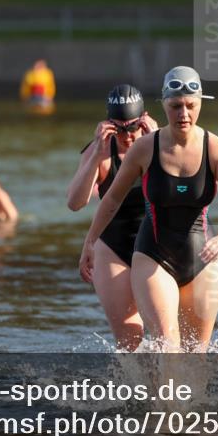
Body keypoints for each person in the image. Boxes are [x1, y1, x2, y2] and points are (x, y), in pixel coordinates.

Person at [79, 67, 218, 352]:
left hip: (202, 256)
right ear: (164, 104)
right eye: (175, 106)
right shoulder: (145, 148)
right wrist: (90, 242)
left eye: (190, 106)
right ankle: (154, 396)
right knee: (168, 347)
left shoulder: (216, 148)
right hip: (153, 256)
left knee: (197, 354)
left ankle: (182, 397)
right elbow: (111, 201)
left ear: (201, 103)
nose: (183, 114)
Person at [68, 85, 158, 351]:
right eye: (119, 129)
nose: (128, 136)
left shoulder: (162, 144)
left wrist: (155, 140)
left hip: (156, 245)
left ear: (145, 119)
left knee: (166, 334)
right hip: (114, 247)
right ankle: (137, 391)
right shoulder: (100, 152)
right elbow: (75, 203)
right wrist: (97, 154)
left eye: (133, 127)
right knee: (130, 341)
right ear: (108, 125)